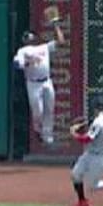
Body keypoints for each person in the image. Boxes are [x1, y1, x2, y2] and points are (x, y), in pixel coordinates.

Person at [13, 16, 66, 147]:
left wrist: (55, 25)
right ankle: (38, 130)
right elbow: (16, 64)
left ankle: (48, 138)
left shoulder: (43, 47)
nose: (29, 39)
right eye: (27, 37)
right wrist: (28, 62)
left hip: (46, 81)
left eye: (31, 37)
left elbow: (61, 41)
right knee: (38, 111)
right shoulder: (23, 51)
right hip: (33, 83)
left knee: (50, 109)